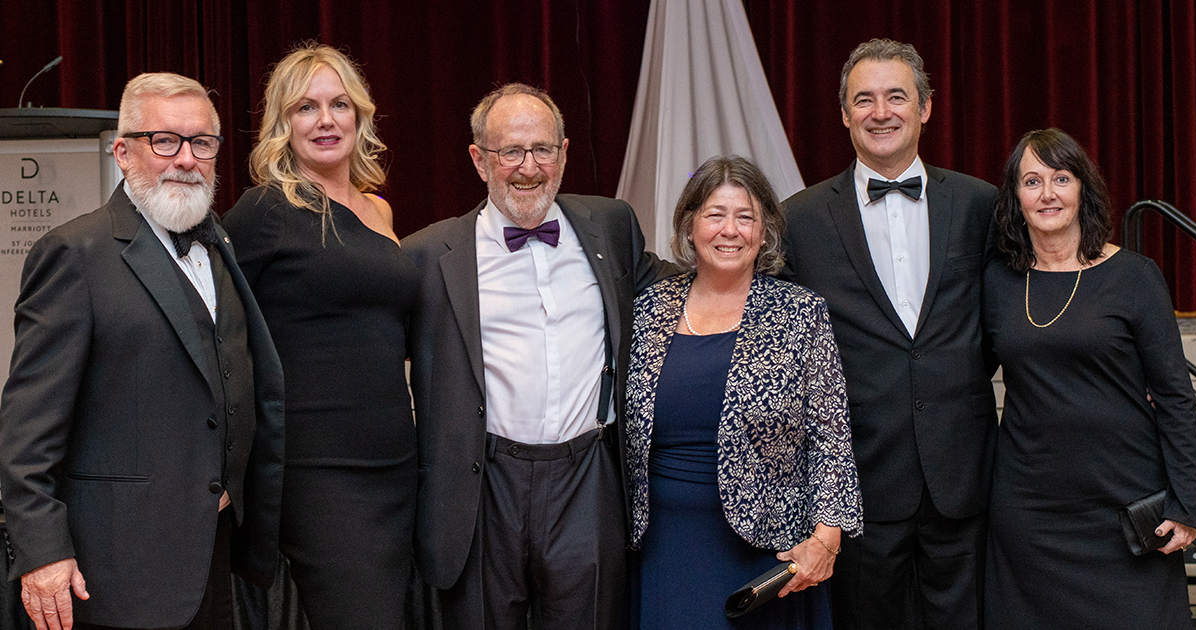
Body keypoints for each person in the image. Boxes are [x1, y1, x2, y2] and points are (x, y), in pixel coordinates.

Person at [0, 72, 285, 630]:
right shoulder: (74, 254)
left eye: (201, 142)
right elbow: (27, 429)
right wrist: (41, 552)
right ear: (123, 151)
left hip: (211, 553)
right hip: (112, 570)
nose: (185, 158)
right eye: (164, 141)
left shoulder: (218, 242)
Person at [401, 82, 670, 630]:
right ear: (479, 160)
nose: (529, 168)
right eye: (510, 153)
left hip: (587, 477)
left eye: (542, 149)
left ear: (565, 153)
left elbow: (682, 293)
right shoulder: (428, 256)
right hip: (482, 486)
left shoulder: (611, 227)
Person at [779, 39, 997, 629]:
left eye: (897, 97)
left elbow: (1020, 311)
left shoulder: (982, 205)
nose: (881, 112)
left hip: (964, 477)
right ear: (844, 114)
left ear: (925, 108)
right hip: (858, 487)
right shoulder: (797, 219)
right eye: (864, 100)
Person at [221, 44, 417, 629]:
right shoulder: (265, 210)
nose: (326, 120)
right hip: (319, 470)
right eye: (306, 107)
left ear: (361, 116)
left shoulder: (378, 211)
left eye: (339, 105)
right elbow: (215, 326)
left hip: (396, 460)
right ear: (283, 125)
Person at [625, 156, 862, 629]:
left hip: (768, 553)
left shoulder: (800, 312)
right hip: (662, 549)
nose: (729, 230)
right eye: (715, 215)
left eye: (745, 216)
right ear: (690, 226)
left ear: (765, 230)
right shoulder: (648, 309)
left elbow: (831, 436)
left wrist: (826, 539)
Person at [983, 127, 1196, 628]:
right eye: (1031, 181)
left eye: (1061, 177)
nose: (1048, 193)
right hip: (1030, 515)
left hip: (1124, 508)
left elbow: (1174, 397)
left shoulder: (1135, 276)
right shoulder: (998, 281)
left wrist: (1188, 501)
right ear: (1016, 197)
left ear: (1083, 188)